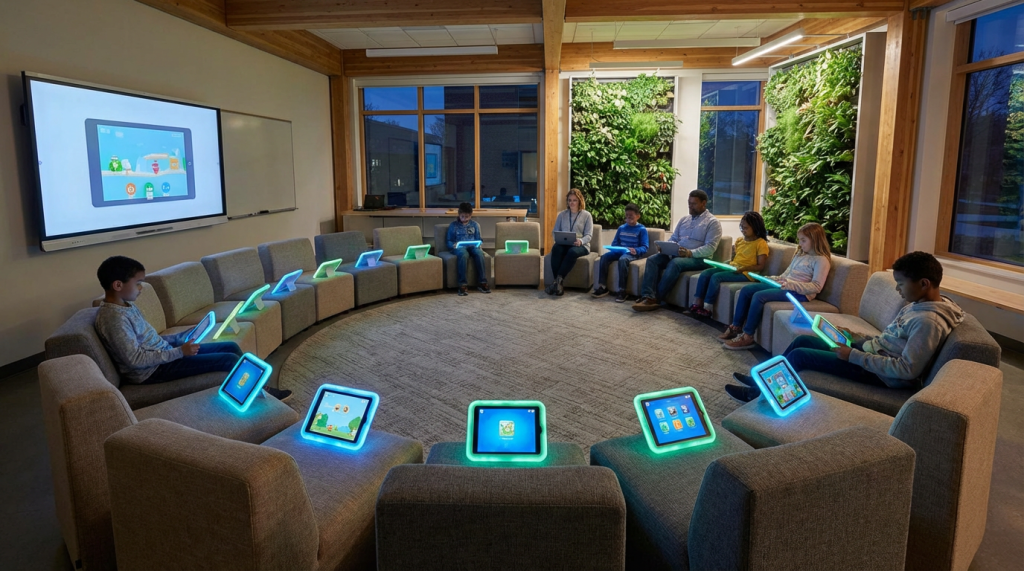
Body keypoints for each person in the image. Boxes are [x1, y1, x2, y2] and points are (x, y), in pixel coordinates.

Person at [725, 251, 964, 402]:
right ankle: (761, 382)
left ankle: (757, 396)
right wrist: (854, 337)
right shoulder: (918, 305)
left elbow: (906, 370)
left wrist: (853, 356)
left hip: (882, 376)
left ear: (924, 283)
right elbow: (889, 341)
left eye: (900, 283)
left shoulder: (928, 322)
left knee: (801, 355)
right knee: (802, 340)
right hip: (871, 353)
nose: (897, 290)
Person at [93, 256, 291, 399]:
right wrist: (180, 352)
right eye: (137, 283)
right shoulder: (113, 319)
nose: (141, 288)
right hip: (152, 371)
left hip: (164, 354)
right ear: (118, 285)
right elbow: (135, 359)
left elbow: (148, 339)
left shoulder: (127, 306)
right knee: (228, 360)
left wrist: (179, 338)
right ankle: (263, 396)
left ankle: (260, 388)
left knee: (230, 346)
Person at [721, 222, 831, 350]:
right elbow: (787, 274)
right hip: (785, 286)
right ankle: (736, 327)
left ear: (815, 240)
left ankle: (748, 336)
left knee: (759, 296)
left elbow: (816, 287)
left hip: (800, 294)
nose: (800, 244)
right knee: (746, 290)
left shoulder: (821, 260)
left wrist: (791, 285)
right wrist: (772, 279)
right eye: (800, 240)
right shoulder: (800, 254)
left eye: (803, 240)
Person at [632, 189, 722, 311]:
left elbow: (710, 248)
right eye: (689, 203)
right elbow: (674, 238)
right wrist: (665, 246)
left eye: (694, 204)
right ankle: (647, 296)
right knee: (653, 259)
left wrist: (690, 253)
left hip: (699, 259)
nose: (690, 206)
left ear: (703, 203)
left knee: (675, 263)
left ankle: (656, 299)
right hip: (677, 253)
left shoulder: (713, 223)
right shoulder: (684, 219)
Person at [689, 211, 769, 318]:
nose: (743, 230)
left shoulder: (761, 243)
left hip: (747, 274)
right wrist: (726, 262)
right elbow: (735, 259)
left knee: (716, 277)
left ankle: (707, 308)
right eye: (742, 227)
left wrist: (743, 268)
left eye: (746, 228)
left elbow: (760, 266)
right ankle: (697, 303)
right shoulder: (740, 240)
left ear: (755, 227)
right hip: (734, 268)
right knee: (706, 273)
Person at [592, 203, 649, 303]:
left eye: (631, 216)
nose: (628, 218)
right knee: (604, 257)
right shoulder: (621, 228)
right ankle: (603, 286)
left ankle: (622, 290)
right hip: (620, 251)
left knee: (623, 259)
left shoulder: (642, 230)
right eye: (626, 215)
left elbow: (645, 247)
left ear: (638, 216)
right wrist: (615, 248)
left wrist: (636, 250)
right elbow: (614, 243)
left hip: (632, 253)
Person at [546, 188, 594, 296]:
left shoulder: (586, 215)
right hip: (564, 244)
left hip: (581, 245)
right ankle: (558, 283)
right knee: (556, 248)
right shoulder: (562, 215)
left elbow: (589, 235)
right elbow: (554, 232)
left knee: (572, 252)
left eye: (574, 200)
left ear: (579, 201)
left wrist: (581, 241)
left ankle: (555, 283)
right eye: (570, 200)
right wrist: (558, 238)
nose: (572, 203)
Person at [446, 202, 491, 296]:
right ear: (459, 214)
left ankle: (482, 282)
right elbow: (449, 241)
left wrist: (479, 243)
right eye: (462, 216)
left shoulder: (474, 225)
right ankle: (462, 284)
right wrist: (453, 245)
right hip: (459, 247)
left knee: (479, 254)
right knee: (463, 254)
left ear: (470, 215)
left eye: (467, 216)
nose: (464, 219)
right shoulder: (453, 225)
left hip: (472, 246)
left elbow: (479, 238)